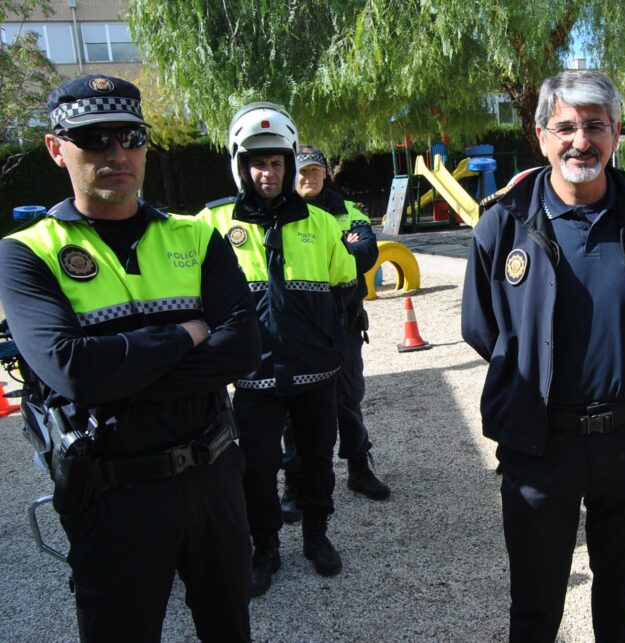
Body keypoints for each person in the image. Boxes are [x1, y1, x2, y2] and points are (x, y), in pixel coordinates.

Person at [0, 74, 261, 640]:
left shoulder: (196, 237)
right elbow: (72, 371)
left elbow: (243, 345)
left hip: (214, 475)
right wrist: (188, 334)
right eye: (95, 140)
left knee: (229, 627)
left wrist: (121, 376)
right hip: (114, 494)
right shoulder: (26, 255)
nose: (117, 154)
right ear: (56, 148)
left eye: (131, 137)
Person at [461, 70, 625, 642]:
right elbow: (482, 327)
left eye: (594, 125)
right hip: (541, 445)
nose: (580, 140)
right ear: (541, 136)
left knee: (618, 599)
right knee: (536, 606)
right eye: (565, 126)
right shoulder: (505, 220)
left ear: (616, 132)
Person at [198, 104, 357, 596]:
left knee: (316, 461)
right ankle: (264, 548)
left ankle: (317, 536)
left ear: (289, 164)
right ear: (241, 165)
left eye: (277, 162)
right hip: (253, 379)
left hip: (314, 376)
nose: (268, 172)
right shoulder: (212, 222)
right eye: (257, 163)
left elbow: (345, 292)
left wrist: (329, 348)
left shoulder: (322, 222)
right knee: (258, 469)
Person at [276, 145, 388, 520]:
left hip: (343, 324)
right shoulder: (283, 216)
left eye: (314, 171)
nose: (307, 178)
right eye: (301, 172)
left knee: (348, 400)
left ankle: (359, 469)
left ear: (325, 173)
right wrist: (339, 251)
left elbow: (366, 255)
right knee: (294, 407)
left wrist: (327, 256)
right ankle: (294, 485)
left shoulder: (350, 212)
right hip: (299, 328)